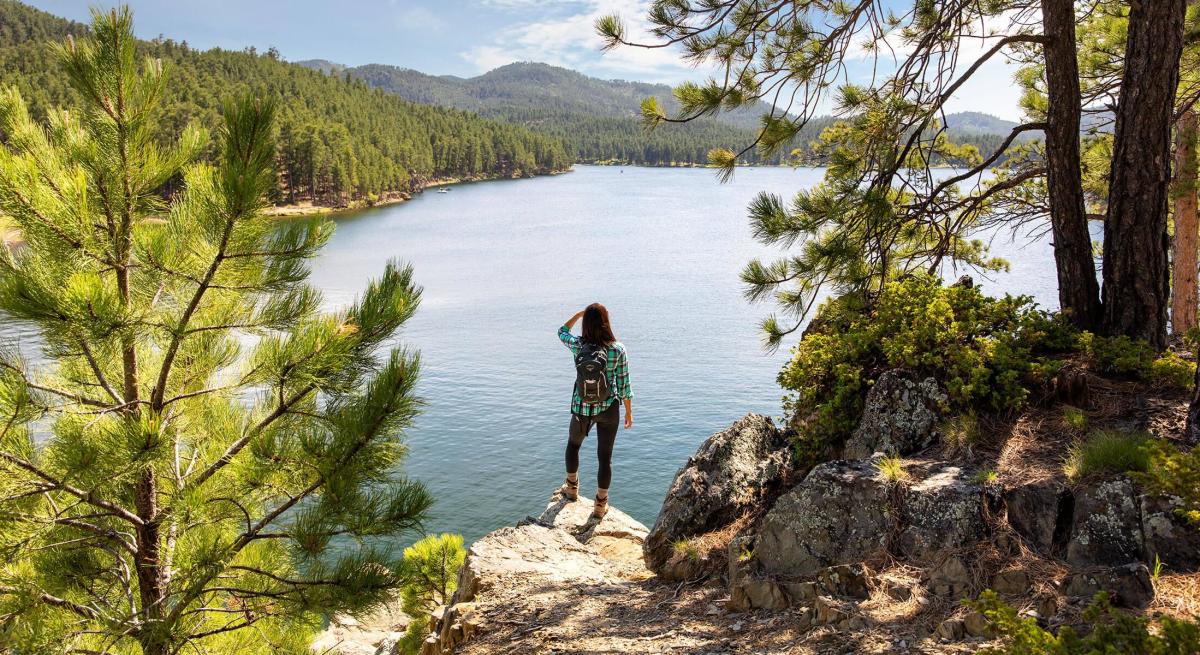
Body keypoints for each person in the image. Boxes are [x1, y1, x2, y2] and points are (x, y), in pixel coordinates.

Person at [556, 303, 633, 518]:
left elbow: (561, 332)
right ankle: (600, 505)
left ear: (586, 324)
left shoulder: (578, 346)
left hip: (581, 408)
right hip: (609, 409)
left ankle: (571, 489)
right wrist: (628, 412)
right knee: (604, 458)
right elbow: (624, 385)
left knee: (573, 446)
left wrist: (579, 314)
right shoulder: (617, 349)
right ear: (606, 322)